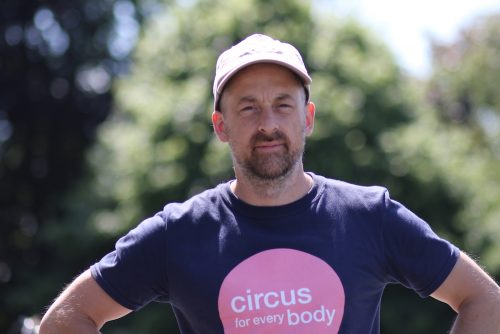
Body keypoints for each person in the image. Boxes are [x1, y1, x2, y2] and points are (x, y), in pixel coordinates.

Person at [40, 34, 500, 334]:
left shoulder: (369, 216)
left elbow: (484, 300)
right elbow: (65, 321)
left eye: (283, 105)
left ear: (308, 117)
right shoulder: (179, 231)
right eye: (248, 108)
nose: (268, 123)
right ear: (220, 125)